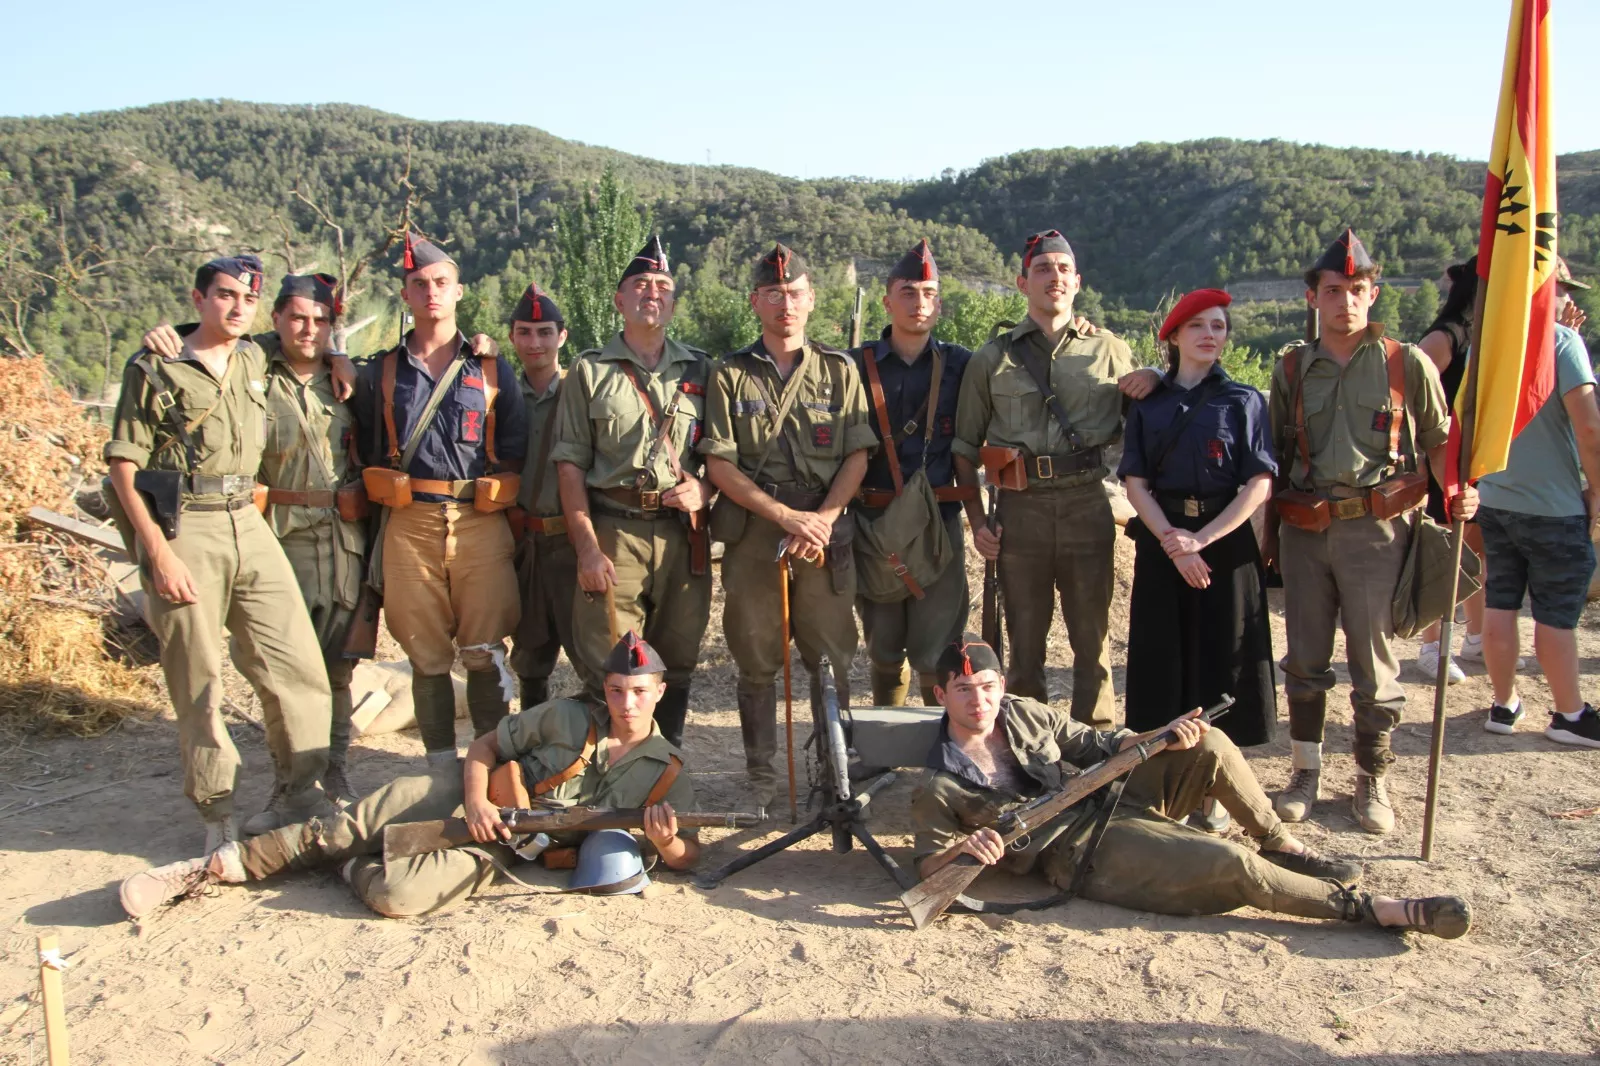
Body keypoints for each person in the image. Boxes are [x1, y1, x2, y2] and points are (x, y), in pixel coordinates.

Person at [912, 639, 1471, 940]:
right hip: (1077, 851)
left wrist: (1164, 737)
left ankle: (1278, 841)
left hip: (1108, 796)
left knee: (1210, 744)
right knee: (1229, 862)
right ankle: (1374, 909)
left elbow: (1103, 746)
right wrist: (969, 850)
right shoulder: (937, 784)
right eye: (963, 690)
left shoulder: (1026, 714)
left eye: (987, 687)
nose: (978, 701)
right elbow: (928, 870)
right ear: (942, 695)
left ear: (1002, 685)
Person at [119, 633, 699, 921]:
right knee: (349, 825)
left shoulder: (667, 769)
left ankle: (353, 869)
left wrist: (669, 841)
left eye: (640, 692)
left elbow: (688, 858)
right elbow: (487, 744)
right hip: (473, 796)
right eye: (618, 690)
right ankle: (214, 868)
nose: (626, 703)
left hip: (515, 848)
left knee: (398, 895)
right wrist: (475, 799)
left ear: (660, 693)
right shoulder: (570, 716)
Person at [105, 255, 334, 851]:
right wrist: (156, 553)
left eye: (247, 299)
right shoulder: (156, 365)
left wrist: (341, 363)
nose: (237, 308)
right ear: (199, 297)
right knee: (199, 678)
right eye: (226, 295)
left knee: (298, 666)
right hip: (185, 527)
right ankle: (218, 814)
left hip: (248, 520)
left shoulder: (255, 357)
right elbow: (123, 466)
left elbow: (307, 341)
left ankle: (300, 792)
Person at [1264, 229, 1478, 835]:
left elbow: (1438, 443)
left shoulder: (1405, 363)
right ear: (1314, 297)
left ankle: (1372, 778)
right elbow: (1277, 452)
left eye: (1357, 290)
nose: (1346, 301)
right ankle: (1305, 772)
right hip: (1306, 531)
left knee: (1374, 664)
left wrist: (1458, 492)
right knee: (1304, 659)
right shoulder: (1291, 367)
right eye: (1334, 290)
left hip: (1378, 533)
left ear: (1374, 293)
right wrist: (1267, 540)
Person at [952, 230, 1161, 727]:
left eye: (1064, 269)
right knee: (1024, 641)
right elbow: (963, 449)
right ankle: (1032, 745)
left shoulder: (1109, 348)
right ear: (1023, 282)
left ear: (1078, 283)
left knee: (1092, 640)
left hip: (1087, 505)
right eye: (1043, 269)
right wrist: (978, 521)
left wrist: (1155, 373)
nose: (1055, 277)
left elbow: (1149, 421)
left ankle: (1098, 745)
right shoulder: (992, 357)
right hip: (1018, 511)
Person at [700, 243, 877, 808]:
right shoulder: (729, 373)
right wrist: (783, 516)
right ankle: (761, 778)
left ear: (811, 299)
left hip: (824, 538)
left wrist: (821, 519)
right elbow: (719, 463)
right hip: (757, 533)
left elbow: (857, 455)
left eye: (795, 293)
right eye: (774, 294)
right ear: (756, 301)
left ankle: (835, 774)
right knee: (755, 657)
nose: (786, 303)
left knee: (831, 656)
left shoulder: (838, 370)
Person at [351, 236, 528, 767]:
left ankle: (488, 763)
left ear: (460, 292)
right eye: (420, 285)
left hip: (478, 520)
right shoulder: (381, 371)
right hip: (408, 522)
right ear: (405, 295)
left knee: (483, 649)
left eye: (441, 283)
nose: (431, 293)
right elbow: (363, 441)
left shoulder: (489, 368)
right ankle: (436, 768)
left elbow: (517, 442)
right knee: (425, 656)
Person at [1118, 289, 1277, 834]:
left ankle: (1218, 792)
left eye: (1220, 326)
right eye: (1199, 326)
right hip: (1162, 540)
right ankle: (1163, 783)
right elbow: (1134, 479)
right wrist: (1171, 540)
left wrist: (1200, 541)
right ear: (1174, 336)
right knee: (1164, 660)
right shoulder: (1149, 402)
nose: (1212, 335)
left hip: (1224, 543)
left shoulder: (1244, 400)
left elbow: (1258, 483)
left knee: (1221, 661)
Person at [552, 237, 713, 743]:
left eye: (663, 286)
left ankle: (666, 770)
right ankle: (610, 773)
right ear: (619, 300)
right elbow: (570, 464)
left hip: (683, 538)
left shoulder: (702, 370)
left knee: (679, 659)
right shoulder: (590, 370)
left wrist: (705, 491)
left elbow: (725, 457)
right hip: (614, 532)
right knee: (614, 662)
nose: (653, 293)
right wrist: (586, 547)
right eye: (640, 284)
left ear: (673, 301)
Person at [851, 240, 980, 707]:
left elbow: (1019, 372)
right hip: (874, 522)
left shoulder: (964, 365)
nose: (919, 302)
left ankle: (940, 742)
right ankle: (889, 734)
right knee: (883, 644)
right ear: (887, 301)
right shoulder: (853, 366)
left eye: (928, 293)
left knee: (938, 645)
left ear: (939, 304)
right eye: (908, 292)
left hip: (938, 522)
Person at [1477, 258, 1600, 746]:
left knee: (1501, 604)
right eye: (1563, 288)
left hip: (1497, 497)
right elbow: (1588, 428)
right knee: (1556, 615)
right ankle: (1569, 714)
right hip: (1555, 506)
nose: (1569, 298)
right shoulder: (1563, 343)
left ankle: (1504, 704)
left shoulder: (1492, 340)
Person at [1413, 258, 1489, 684]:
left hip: (1473, 461)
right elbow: (1412, 389)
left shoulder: (1485, 335)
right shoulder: (1445, 337)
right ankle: (1431, 645)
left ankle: (1475, 637)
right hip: (1442, 462)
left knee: (1476, 552)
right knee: (1445, 555)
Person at [506, 282, 580, 711]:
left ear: (562, 337)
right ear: (512, 336)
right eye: (525, 332)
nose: (535, 343)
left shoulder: (580, 391)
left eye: (545, 332)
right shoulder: (499, 394)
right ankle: (532, 738)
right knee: (530, 655)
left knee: (589, 649)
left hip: (573, 540)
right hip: (522, 541)